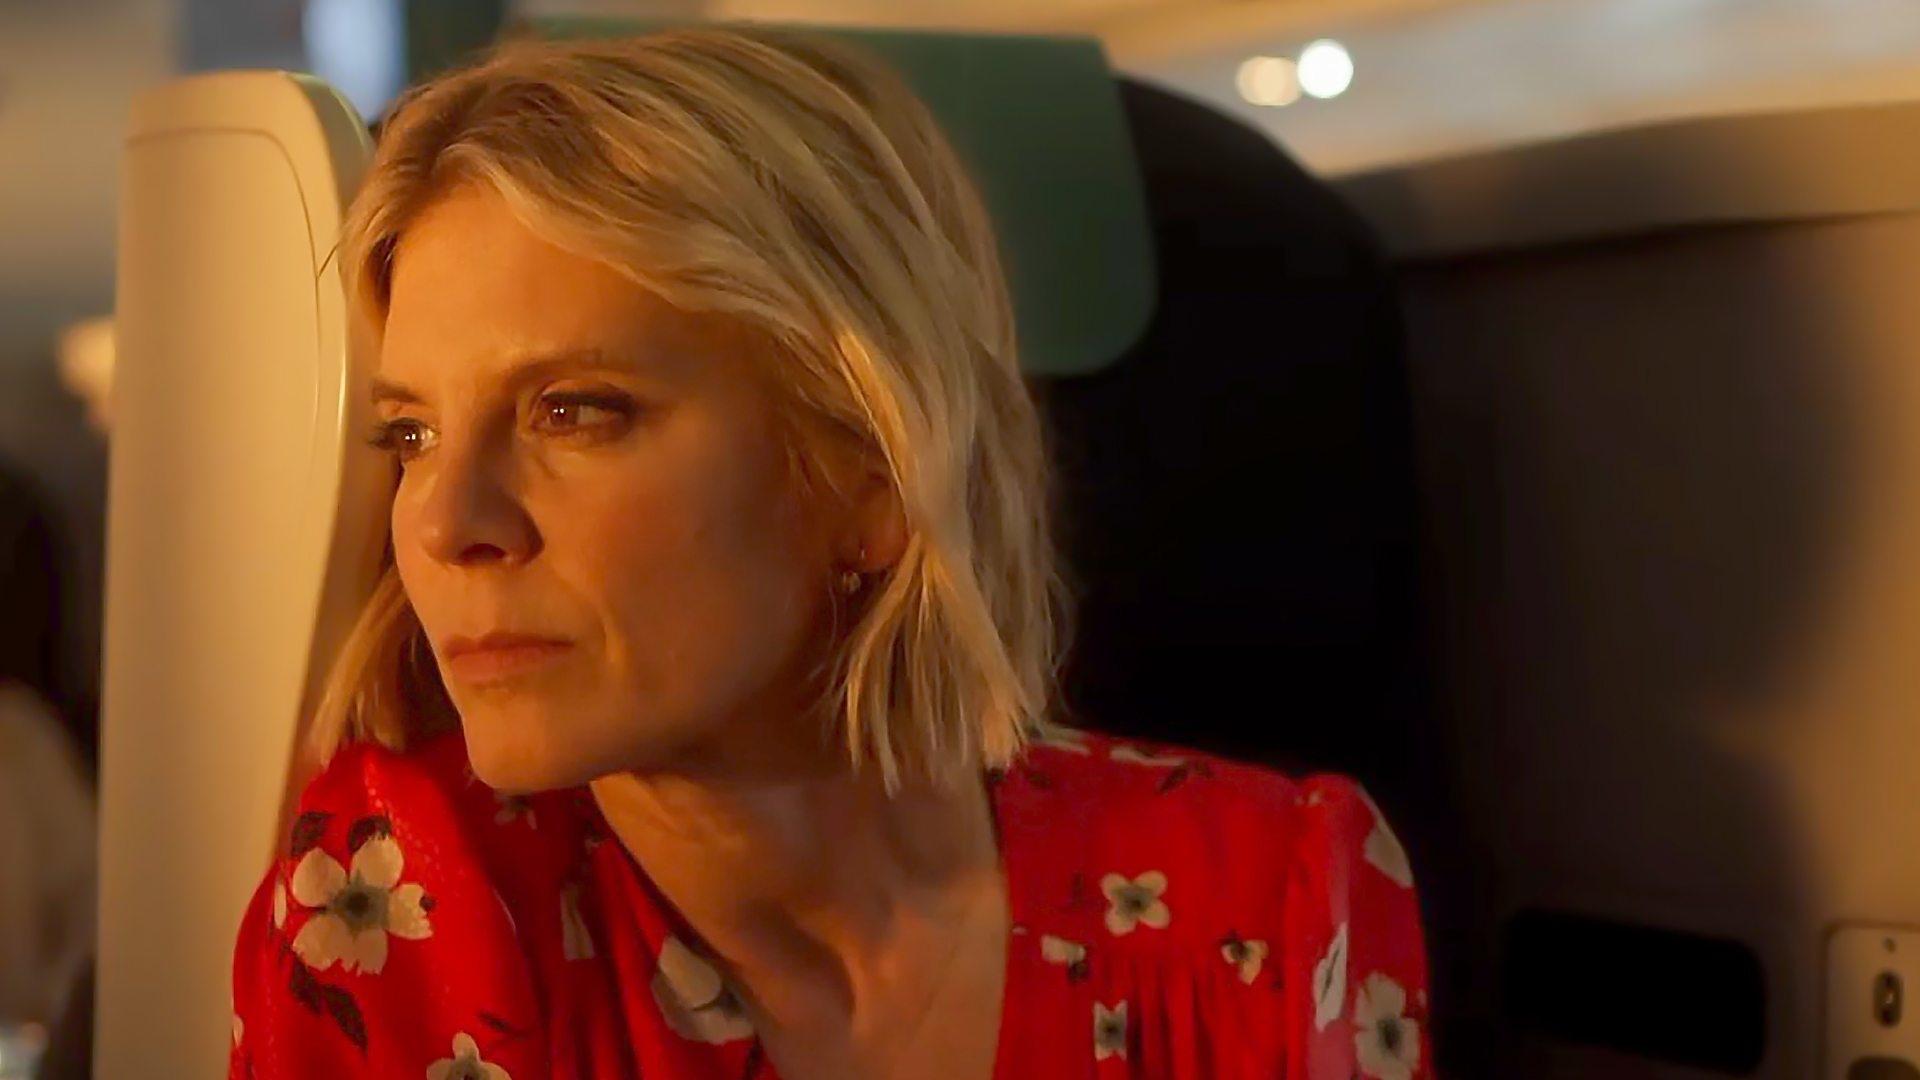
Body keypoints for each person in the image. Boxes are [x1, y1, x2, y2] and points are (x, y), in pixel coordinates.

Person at [228, 25, 1431, 1080]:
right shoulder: (404, 903)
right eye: (410, 435)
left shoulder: (1272, 899)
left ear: (872, 474)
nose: (445, 525)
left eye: (571, 411)